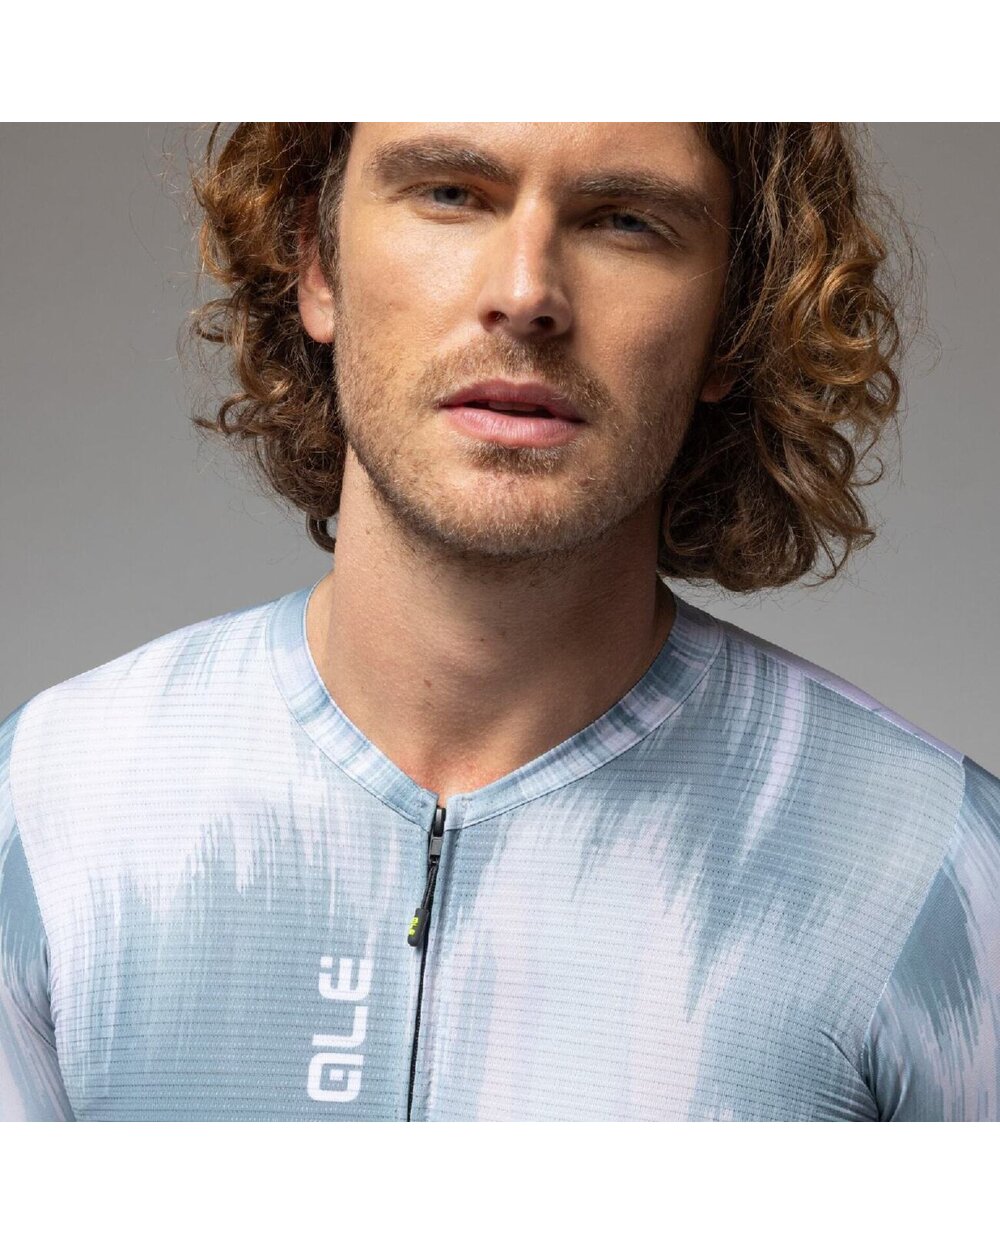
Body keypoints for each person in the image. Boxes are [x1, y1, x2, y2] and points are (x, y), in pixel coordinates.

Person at [2, 122, 997, 1122]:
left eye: (624, 220)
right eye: (450, 193)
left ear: (733, 319)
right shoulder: (45, 814)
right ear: (317, 262)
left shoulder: (932, 872)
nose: (525, 294)